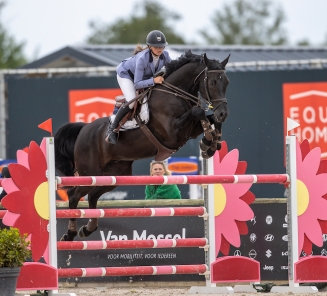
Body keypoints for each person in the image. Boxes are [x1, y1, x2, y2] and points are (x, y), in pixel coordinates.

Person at [105, 30, 172, 144]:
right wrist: (154, 80)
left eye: (162, 46)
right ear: (149, 46)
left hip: (143, 78)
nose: (160, 49)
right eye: (156, 47)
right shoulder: (142, 58)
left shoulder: (165, 55)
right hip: (126, 75)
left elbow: (172, 69)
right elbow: (137, 84)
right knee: (131, 100)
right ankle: (112, 130)